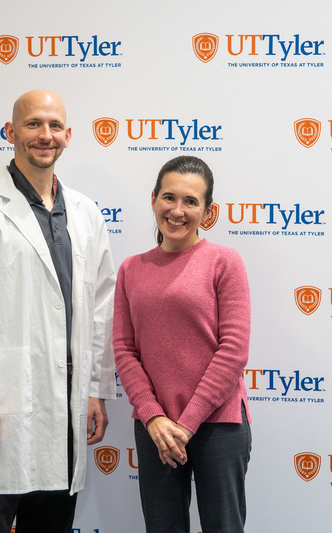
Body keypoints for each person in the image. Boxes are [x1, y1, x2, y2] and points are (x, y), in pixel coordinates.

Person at [0, 89, 117, 533]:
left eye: (55, 126)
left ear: (68, 136)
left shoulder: (86, 214)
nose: (45, 135)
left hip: (68, 407)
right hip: (0, 405)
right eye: (34, 124)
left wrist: (95, 389)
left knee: (51, 523)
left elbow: (100, 310)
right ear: (10, 132)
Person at [113, 156, 252, 533]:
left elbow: (234, 351)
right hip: (154, 427)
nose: (177, 210)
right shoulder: (130, 268)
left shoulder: (224, 262)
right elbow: (125, 350)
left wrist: (186, 425)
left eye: (191, 201)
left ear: (209, 211)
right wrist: (153, 416)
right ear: (154, 198)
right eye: (169, 197)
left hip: (217, 427)